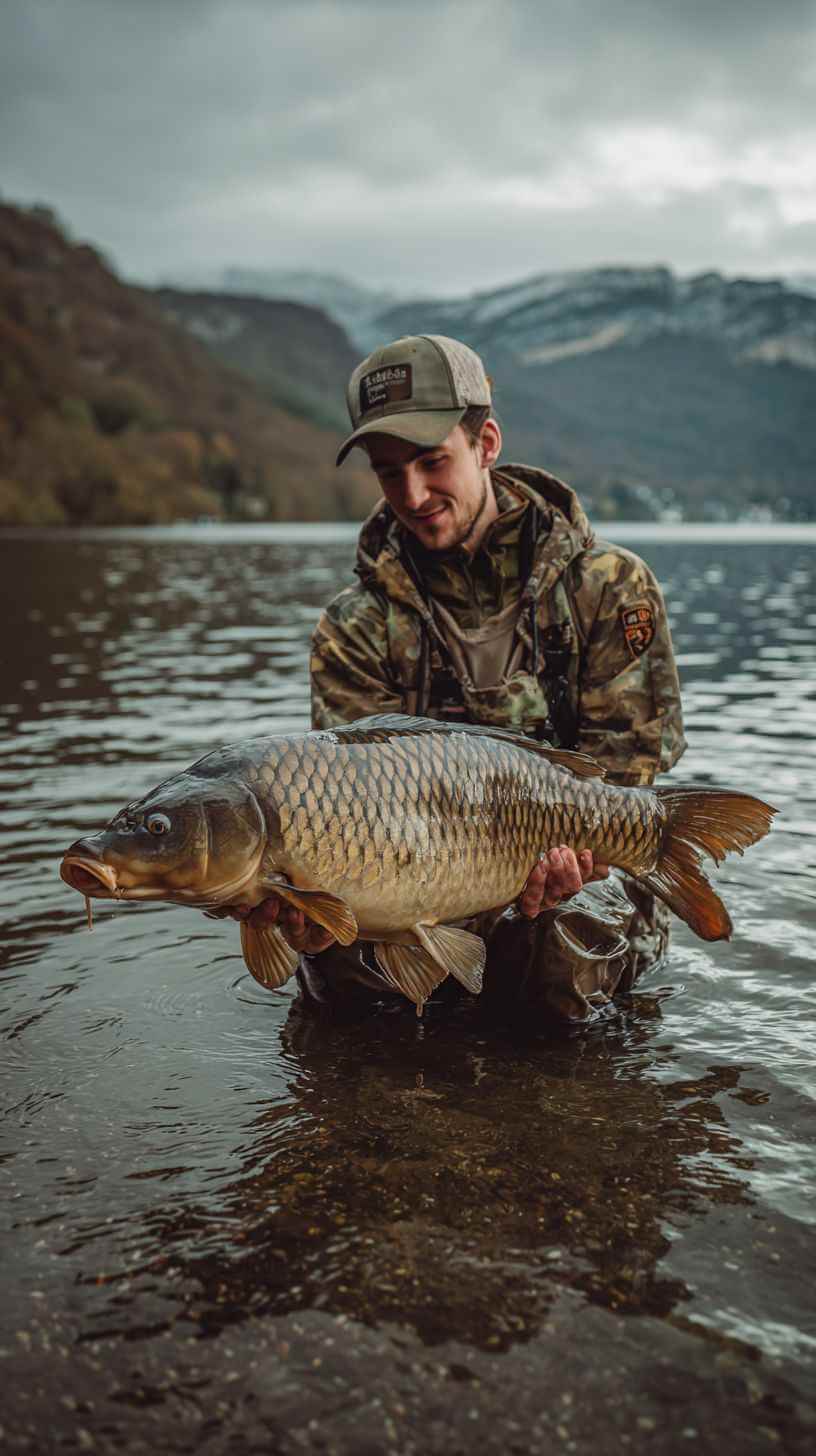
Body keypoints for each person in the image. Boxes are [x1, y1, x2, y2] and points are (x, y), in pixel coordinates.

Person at [233, 335, 686, 1027]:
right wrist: (311, 909)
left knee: (560, 971)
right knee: (342, 979)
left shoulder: (608, 586)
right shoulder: (355, 625)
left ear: (487, 443)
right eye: (389, 473)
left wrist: (576, 865)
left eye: (431, 461)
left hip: (570, 870)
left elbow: (627, 777)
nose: (412, 494)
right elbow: (339, 814)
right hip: (414, 878)